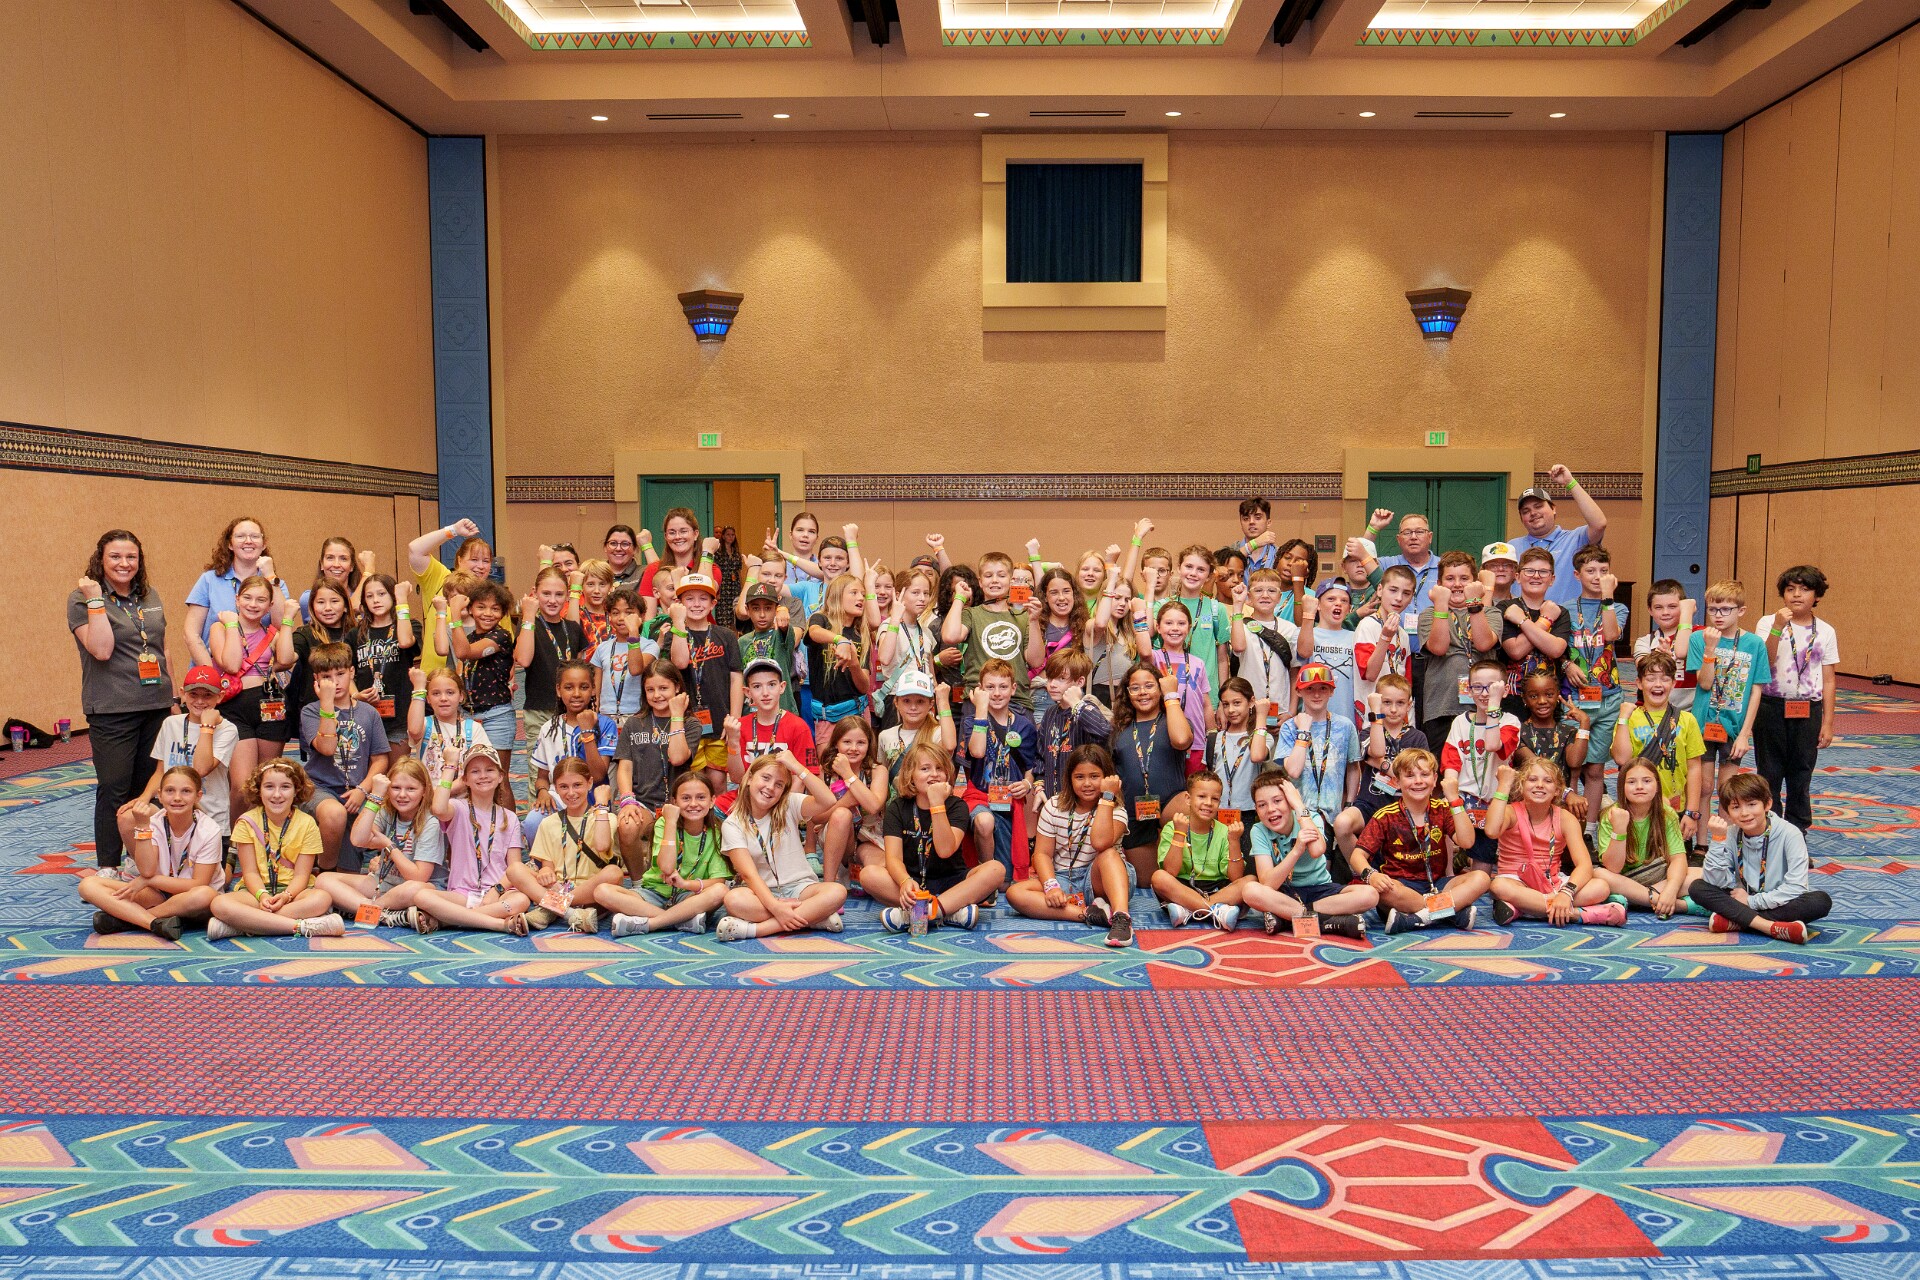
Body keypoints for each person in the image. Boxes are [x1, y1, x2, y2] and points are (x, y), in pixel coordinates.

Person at [71, 530, 178, 869]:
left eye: (131, 557)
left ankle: (140, 858)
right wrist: (95, 600)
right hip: (112, 709)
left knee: (148, 788)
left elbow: (162, 649)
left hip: (157, 705)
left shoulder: (149, 594)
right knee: (114, 788)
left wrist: (174, 697)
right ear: (100, 560)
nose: (124, 563)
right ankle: (108, 865)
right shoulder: (82, 599)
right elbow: (101, 649)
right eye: (115, 557)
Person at [1007, 744, 1134, 946]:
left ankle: (1121, 917)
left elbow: (1100, 843)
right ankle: (1089, 914)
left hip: (1100, 879)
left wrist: (1107, 797)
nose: (1087, 784)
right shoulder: (1054, 805)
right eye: (1079, 777)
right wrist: (1051, 886)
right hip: (1064, 877)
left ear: (1107, 778)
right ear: (1069, 779)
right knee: (1015, 893)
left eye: (1095, 776)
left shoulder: (1116, 809)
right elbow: (1042, 854)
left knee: (1108, 853)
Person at [1350, 747, 1488, 933]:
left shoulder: (1442, 809)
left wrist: (1454, 800)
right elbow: (1357, 856)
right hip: (1401, 887)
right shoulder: (1385, 816)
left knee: (1481, 878)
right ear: (1397, 781)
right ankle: (1449, 913)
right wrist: (1372, 875)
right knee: (1382, 891)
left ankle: (1417, 918)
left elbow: (1467, 842)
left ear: (1435, 780)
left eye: (1425, 774)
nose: (1418, 781)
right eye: (1409, 776)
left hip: (1438, 885)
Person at [716, 749, 849, 940]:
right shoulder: (733, 824)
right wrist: (775, 906)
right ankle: (812, 918)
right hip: (761, 892)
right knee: (733, 900)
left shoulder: (789, 804)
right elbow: (748, 874)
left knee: (837, 892)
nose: (770, 787)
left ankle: (758, 930)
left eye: (779, 784)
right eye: (765, 778)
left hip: (801, 888)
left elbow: (828, 800)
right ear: (750, 778)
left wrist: (797, 767)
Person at [873, 743, 1005, 931]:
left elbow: (944, 850)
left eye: (939, 768)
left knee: (996, 869)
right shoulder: (897, 807)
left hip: (953, 882)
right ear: (910, 775)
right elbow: (893, 858)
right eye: (925, 769)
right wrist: (904, 881)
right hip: (914, 883)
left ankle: (924, 912)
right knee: (869, 875)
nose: (934, 774)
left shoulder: (957, 806)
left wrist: (936, 803)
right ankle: (950, 912)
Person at [80, 766, 224, 939]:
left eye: (186, 791)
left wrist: (151, 880)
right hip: (158, 894)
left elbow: (198, 883)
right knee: (87, 885)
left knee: (204, 894)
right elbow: (147, 870)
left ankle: (128, 920)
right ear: (160, 796)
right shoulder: (154, 822)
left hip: (191, 897)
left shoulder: (209, 830)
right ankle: (154, 923)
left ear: (198, 796)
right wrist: (142, 827)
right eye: (170, 791)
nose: (177, 798)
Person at [207, 759, 344, 940]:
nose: (277, 794)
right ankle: (301, 926)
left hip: (293, 894)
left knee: (322, 898)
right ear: (258, 790)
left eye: (285, 787)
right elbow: (250, 872)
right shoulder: (246, 822)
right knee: (219, 903)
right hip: (255, 893)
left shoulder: (307, 823)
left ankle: (245, 925)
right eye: (269, 787)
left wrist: (286, 896)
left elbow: (302, 875)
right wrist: (262, 895)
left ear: (296, 790)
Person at [1692, 771, 1832, 943]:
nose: (1744, 813)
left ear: (1767, 804)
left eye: (1752, 804)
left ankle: (1739, 921)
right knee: (1698, 888)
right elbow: (1716, 881)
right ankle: (1769, 926)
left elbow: (1796, 887)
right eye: (1736, 807)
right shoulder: (1730, 834)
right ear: (1727, 811)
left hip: (1778, 900)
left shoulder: (1790, 834)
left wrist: (1751, 902)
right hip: (1741, 897)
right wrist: (1718, 840)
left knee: (1820, 902)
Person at [1485, 757, 1623, 928]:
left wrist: (1566, 893)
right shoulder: (1510, 812)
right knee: (1498, 886)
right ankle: (1576, 914)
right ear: (1521, 785)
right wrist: (1504, 786)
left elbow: (1584, 865)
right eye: (1532, 779)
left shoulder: (1565, 818)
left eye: (1548, 781)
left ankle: (1525, 908)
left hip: (1552, 882)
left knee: (1601, 887)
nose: (1540, 785)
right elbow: (1491, 831)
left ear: (1557, 790)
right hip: (1516, 880)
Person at [209, 572, 299, 822]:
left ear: (270, 606)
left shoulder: (272, 633)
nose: (253, 604)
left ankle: (266, 834)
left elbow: (286, 659)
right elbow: (231, 663)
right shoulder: (220, 628)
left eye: (261, 600)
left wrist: (287, 622)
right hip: (235, 707)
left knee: (268, 781)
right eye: (247, 598)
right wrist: (231, 626)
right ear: (237, 599)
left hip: (271, 705)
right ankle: (238, 838)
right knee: (242, 786)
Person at [412, 746, 530, 935]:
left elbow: (514, 868)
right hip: (462, 894)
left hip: (498, 893)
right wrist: (450, 765)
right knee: (422, 896)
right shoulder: (458, 808)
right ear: (465, 779)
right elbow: (438, 808)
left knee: (521, 900)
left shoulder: (510, 817)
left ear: (501, 776)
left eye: (489, 770)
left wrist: (496, 890)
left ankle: (450, 919)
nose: (483, 776)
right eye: (475, 771)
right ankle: (498, 924)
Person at [1688, 579, 1770, 847]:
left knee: (1728, 790)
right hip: (1702, 724)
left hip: (1733, 727)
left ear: (1741, 611)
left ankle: (1723, 845)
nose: (1718, 615)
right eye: (1713, 609)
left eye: (1725, 609)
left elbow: (1756, 691)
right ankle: (1701, 844)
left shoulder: (1754, 644)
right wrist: (1710, 649)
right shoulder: (1699, 639)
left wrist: (1745, 734)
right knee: (1703, 788)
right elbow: (1704, 683)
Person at [1758, 564, 1839, 831]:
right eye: (1790, 589)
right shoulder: (1768, 622)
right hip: (1771, 706)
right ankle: (1770, 828)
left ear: (1816, 596)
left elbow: (1829, 680)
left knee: (1801, 773)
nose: (1796, 595)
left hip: (1808, 709)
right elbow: (1765, 661)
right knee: (1769, 772)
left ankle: (1797, 831)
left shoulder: (1825, 631)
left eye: (1804, 589)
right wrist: (1777, 627)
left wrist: (1828, 722)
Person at [1244, 769, 1372, 939]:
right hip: (1285, 893)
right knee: (1250, 890)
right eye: (1262, 805)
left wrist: (1299, 806)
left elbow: (1317, 850)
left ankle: (1287, 918)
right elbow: (1268, 883)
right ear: (1256, 809)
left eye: (1277, 801)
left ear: (1290, 800)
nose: (1271, 809)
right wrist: (1296, 851)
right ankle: (1327, 921)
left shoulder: (1310, 818)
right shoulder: (1258, 830)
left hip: (1321, 891)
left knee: (1369, 895)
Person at [122, 666, 239, 849]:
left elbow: (200, 769)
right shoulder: (171, 723)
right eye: (193, 694)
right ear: (183, 694)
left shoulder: (227, 730)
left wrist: (207, 727)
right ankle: (140, 863)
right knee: (127, 817)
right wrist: (143, 798)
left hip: (208, 813)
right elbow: (161, 771)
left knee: (205, 868)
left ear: (220, 696)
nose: (200, 701)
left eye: (208, 695)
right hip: (170, 806)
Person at [603, 771, 733, 935]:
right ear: (674, 802)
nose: (693, 804)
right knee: (603, 891)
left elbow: (718, 880)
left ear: (712, 801)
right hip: (654, 893)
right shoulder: (664, 823)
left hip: (690, 896)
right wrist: (671, 821)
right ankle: (680, 920)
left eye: (701, 797)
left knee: (720, 891)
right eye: (686, 798)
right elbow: (666, 867)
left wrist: (685, 884)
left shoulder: (717, 832)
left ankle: (653, 923)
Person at [299, 642, 392, 871]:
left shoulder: (368, 712)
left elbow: (380, 759)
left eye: (340, 674)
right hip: (320, 788)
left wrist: (363, 789)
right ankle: (325, 870)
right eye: (326, 677)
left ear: (351, 672)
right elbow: (327, 747)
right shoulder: (311, 711)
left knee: (349, 873)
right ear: (316, 680)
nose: (335, 682)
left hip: (356, 792)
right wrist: (327, 703)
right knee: (334, 814)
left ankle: (339, 872)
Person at [318, 761, 445, 926]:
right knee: (324, 880)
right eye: (396, 788)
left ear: (424, 791)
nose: (402, 795)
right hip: (384, 882)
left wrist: (388, 845)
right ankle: (384, 914)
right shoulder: (387, 811)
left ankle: (362, 908)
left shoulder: (430, 822)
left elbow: (418, 877)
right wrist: (375, 797)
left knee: (416, 889)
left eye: (411, 789)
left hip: (415, 888)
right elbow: (358, 839)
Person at [508, 758, 623, 933]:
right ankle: (570, 914)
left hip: (590, 892)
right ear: (555, 788)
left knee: (614, 873)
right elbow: (547, 865)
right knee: (514, 869)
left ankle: (552, 908)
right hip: (557, 886)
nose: (571, 793)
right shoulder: (548, 823)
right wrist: (545, 872)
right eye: (563, 787)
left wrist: (601, 805)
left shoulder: (604, 817)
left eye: (577, 785)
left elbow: (602, 845)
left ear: (589, 783)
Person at [613, 663, 699, 876]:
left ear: (677, 687)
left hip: (679, 804)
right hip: (644, 802)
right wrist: (627, 800)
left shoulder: (691, 724)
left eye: (663, 688)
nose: (657, 695)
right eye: (650, 689)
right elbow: (625, 767)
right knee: (627, 825)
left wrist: (676, 715)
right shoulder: (634, 724)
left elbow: (677, 757)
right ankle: (637, 881)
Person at [1561, 546, 1626, 831]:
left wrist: (1608, 599)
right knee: (1571, 767)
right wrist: (1566, 665)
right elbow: (1556, 649)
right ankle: (1567, 827)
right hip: (1574, 700)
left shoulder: (1617, 608)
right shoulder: (1564, 609)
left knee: (1596, 768)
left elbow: (1611, 634)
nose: (1597, 576)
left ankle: (1589, 830)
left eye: (1604, 570)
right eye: (1590, 571)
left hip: (1608, 698)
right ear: (1577, 575)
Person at [1612, 650, 1706, 846]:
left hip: (1676, 807)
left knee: (1676, 857)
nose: (1658, 684)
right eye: (1650, 678)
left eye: (1665, 679)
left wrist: (1692, 812)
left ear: (1673, 683)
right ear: (1639, 683)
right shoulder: (1630, 719)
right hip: (1637, 806)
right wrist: (1623, 719)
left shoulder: (1687, 720)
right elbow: (1622, 759)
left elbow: (1694, 768)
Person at [958, 660, 1040, 880]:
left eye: (1003, 687)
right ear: (980, 689)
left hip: (1008, 800)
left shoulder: (1024, 725)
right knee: (985, 822)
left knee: (1007, 879)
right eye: (989, 687)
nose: (996, 693)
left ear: (1013, 688)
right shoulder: (972, 721)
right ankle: (986, 877)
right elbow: (977, 751)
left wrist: (1027, 783)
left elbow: (1030, 766)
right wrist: (980, 709)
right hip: (979, 796)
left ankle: (997, 879)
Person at [522, 659, 618, 846]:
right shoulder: (549, 728)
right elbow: (542, 777)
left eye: (584, 687)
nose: (576, 693)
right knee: (532, 822)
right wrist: (543, 791)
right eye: (569, 687)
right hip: (558, 798)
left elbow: (599, 775)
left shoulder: (605, 725)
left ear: (593, 689)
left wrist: (588, 732)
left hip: (592, 800)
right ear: (559, 690)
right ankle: (542, 862)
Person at [1439, 657, 1521, 873]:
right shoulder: (1460, 722)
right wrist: (1451, 794)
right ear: (1469, 690)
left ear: (1504, 690)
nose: (1485, 693)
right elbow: (1451, 760)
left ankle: (1472, 872)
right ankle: (1449, 873)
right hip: (1463, 797)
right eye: (1478, 687)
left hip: (1491, 801)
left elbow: (1493, 744)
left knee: (1482, 866)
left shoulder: (1510, 722)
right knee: (1442, 822)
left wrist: (1493, 707)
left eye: (1492, 687)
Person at [667, 570, 743, 791]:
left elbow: (736, 678)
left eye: (703, 598)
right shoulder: (675, 634)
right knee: (693, 781)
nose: (696, 604)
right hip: (690, 721)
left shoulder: (726, 635)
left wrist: (734, 717)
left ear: (713, 604)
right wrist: (678, 622)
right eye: (689, 599)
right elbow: (680, 662)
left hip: (720, 720)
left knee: (718, 781)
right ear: (680, 603)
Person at [1593, 758, 1695, 918]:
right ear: (1622, 787)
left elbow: (1678, 859)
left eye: (1647, 781)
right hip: (1624, 879)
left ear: (1657, 786)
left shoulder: (1667, 814)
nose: (1639, 786)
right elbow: (1613, 868)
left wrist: (1671, 889)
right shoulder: (1610, 815)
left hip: (1657, 875)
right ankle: (1671, 904)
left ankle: (1637, 899)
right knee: (1599, 875)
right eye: (1631, 782)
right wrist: (1619, 829)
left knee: (1702, 874)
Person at [1416, 551, 1498, 749]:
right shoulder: (1429, 614)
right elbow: (1439, 647)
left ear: (1475, 582)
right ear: (1439, 583)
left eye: (1464, 578)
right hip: (1441, 709)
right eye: (1450, 579)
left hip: (1483, 706)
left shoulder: (1490, 612)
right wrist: (1441, 604)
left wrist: (1474, 602)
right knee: (1442, 763)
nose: (1457, 584)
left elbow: (1483, 644)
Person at [1277, 663, 1364, 844]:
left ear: (1331, 691)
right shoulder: (1289, 727)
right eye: (1309, 689)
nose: (1316, 695)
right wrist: (1303, 731)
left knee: (1328, 859)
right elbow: (1293, 771)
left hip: (1333, 816)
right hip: (1298, 814)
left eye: (1323, 688)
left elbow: (1353, 767)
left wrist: (1349, 803)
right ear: (1299, 691)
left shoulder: (1345, 726)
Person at [437, 579, 518, 771]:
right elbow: (460, 668)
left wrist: (455, 613)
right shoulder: (470, 637)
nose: (488, 613)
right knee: (471, 774)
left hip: (497, 715)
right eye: (481, 607)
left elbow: (463, 652)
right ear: (471, 609)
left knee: (498, 776)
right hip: (469, 715)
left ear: (502, 613)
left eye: (495, 609)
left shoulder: (501, 636)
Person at [1150, 772, 1247, 931]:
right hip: (1183, 886)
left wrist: (1234, 841)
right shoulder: (1173, 827)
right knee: (1159, 877)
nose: (1208, 803)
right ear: (1188, 799)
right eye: (1201, 796)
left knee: (1250, 882)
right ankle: (1216, 911)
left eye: (1214, 799)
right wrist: (1179, 833)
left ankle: (1189, 909)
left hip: (1217, 888)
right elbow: (1170, 871)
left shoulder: (1224, 831)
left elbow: (1236, 877)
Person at [944, 552, 1034, 709]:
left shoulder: (1024, 616)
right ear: (980, 581)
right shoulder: (971, 614)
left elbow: (1035, 661)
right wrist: (960, 598)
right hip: (978, 699)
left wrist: (1034, 620)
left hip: (1017, 700)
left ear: (1011, 580)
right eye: (988, 575)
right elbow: (950, 636)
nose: (994, 580)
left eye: (1001, 575)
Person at [184, 517, 278, 665]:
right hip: (212, 669)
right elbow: (191, 634)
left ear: (263, 544)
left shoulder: (274, 583)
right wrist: (212, 673)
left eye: (254, 536)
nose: (248, 541)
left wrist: (271, 578)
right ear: (230, 544)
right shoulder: (209, 580)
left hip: (258, 673)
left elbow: (281, 626)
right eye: (240, 536)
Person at [1511, 466, 1610, 607]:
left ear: (1553, 509)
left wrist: (1570, 482)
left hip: (1569, 618)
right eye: (1526, 511)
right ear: (1522, 519)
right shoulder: (1512, 547)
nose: (1533, 513)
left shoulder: (1576, 539)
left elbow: (1599, 524)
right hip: (1522, 619)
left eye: (1538, 506)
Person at [408, 519, 494, 674]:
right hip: (435, 677)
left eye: (486, 561)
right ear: (459, 560)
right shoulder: (442, 579)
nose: (481, 566)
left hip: (478, 681)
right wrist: (453, 530)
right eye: (474, 559)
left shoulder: (493, 598)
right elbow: (415, 550)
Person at [514, 565, 588, 746]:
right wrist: (528, 614)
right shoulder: (529, 625)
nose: (553, 600)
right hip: (539, 711)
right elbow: (523, 659)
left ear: (567, 595)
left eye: (559, 594)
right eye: (546, 594)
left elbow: (581, 669)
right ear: (534, 593)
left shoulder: (572, 628)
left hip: (572, 709)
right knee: (539, 763)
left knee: (573, 761)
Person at [1499, 548, 1571, 719]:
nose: (1536, 576)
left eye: (1543, 572)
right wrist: (1546, 620)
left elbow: (1556, 650)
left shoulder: (1559, 612)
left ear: (1552, 579)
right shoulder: (1506, 608)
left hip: (1549, 698)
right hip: (1513, 697)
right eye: (1529, 571)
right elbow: (1515, 650)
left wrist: (1523, 621)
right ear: (1517, 576)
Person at [353, 573, 418, 755]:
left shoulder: (409, 625)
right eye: (369, 596)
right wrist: (356, 695)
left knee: (397, 770)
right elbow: (347, 671)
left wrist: (402, 600)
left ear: (393, 596)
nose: (376, 600)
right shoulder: (355, 633)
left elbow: (405, 642)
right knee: (371, 770)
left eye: (382, 594)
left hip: (399, 716)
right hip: (366, 716)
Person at [1633, 580, 1698, 714]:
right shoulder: (1645, 642)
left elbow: (1683, 651)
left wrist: (1687, 614)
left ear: (1682, 607)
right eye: (1658, 607)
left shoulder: (1698, 635)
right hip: (1655, 710)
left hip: (1692, 710)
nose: (1665, 612)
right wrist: (1662, 659)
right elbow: (1642, 668)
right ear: (1650, 610)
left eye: (1672, 606)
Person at [1375, 512, 1440, 605]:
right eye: (1407, 532)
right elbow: (1359, 561)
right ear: (1399, 539)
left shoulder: (1444, 566)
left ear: (1430, 537)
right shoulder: (1387, 564)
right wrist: (1373, 529)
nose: (1413, 537)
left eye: (1419, 532)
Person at [603, 524, 647, 592]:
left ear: (635, 549)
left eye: (625, 544)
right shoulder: (595, 572)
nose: (618, 548)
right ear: (605, 547)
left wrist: (647, 544)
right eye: (613, 543)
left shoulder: (644, 573)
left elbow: (659, 578)